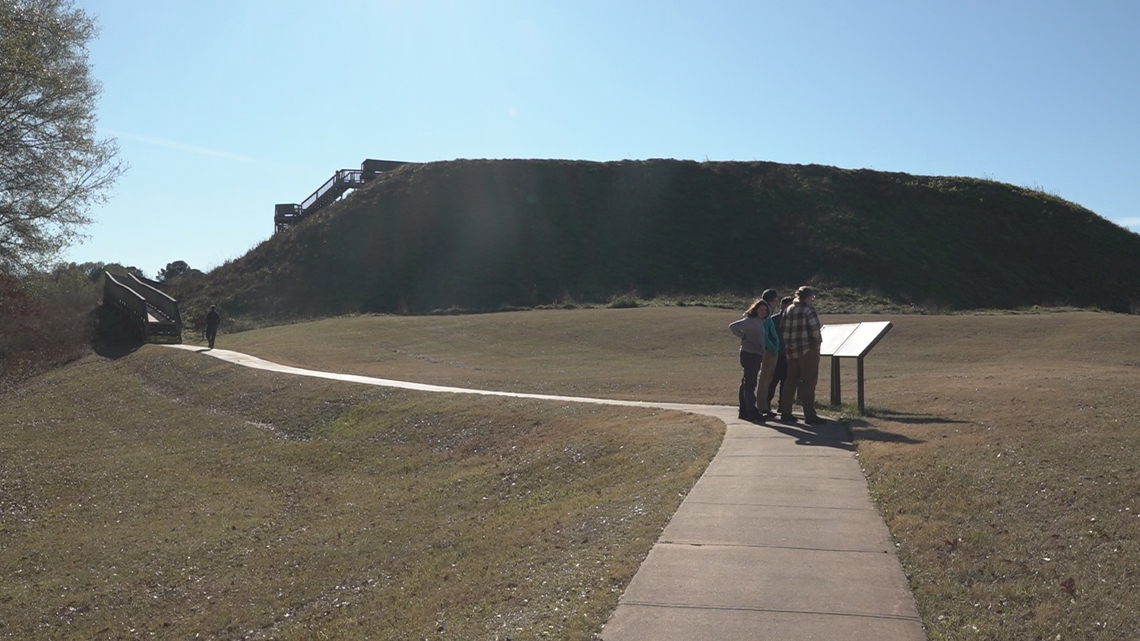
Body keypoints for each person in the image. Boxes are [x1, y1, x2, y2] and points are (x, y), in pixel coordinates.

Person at [778, 287, 824, 425]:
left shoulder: (789, 309)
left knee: (790, 380)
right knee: (809, 381)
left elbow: (783, 328)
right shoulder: (808, 310)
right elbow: (815, 329)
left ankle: (785, 412)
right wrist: (818, 343)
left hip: (791, 349)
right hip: (807, 349)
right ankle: (809, 414)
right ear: (809, 297)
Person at [729, 299, 778, 420]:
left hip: (756, 354)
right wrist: (743, 336)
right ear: (755, 310)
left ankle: (744, 410)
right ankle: (751, 411)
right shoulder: (750, 321)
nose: (763, 312)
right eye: (761, 310)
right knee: (750, 382)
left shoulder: (760, 322)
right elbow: (733, 326)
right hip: (749, 353)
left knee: (746, 382)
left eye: (765, 310)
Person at [755, 290, 782, 416]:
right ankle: (762, 407)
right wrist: (773, 348)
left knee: (766, 379)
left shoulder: (768, 313)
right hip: (768, 350)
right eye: (776, 301)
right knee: (765, 379)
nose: (777, 303)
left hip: (769, 348)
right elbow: (764, 334)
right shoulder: (765, 314)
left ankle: (763, 405)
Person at [766, 295, 794, 410]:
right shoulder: (774, 319)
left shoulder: (794, 320)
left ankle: (783, 406)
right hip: (777, 355)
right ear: (783, 306)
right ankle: (766, 404)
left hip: (789, 355)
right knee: (773, 380)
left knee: (786, 382)